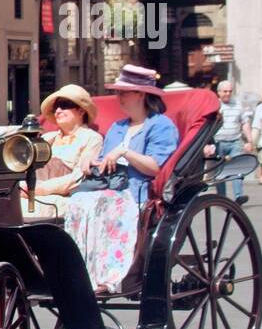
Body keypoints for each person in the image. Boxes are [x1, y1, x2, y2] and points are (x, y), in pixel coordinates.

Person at [63, 65, 180, 293]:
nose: (119, 98)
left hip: (137, 191)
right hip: (109, 186)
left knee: (102, 205)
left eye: (124, 92)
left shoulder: (161, 126)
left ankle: (108, 276)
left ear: (141, 94)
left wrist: (125, 152)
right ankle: (78, 272)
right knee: (77, 202)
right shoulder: (118, 127)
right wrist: (89, 160)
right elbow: (104, 159)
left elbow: (155, 167)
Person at [21, 84, 105, 218]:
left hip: (63, 198)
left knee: (30, 209)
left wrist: (41, 189)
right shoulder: (47, 138)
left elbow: (79, 177)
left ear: (81, 111)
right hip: (29, 192)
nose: (58, 110)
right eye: (55, 107)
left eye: (64, 104)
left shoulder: (92, 138)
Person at [206, 81, 253, 204]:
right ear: (219, 92)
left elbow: (245, 123)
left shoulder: (238, 104)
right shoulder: (214, 105)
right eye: (225, 91)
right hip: (218, 142)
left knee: (237, 168)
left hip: (235, 141)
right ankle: (222, 198)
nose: (228, 94)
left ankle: (239, 197)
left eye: (230, 91)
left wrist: (249, 140)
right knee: (220, 171)